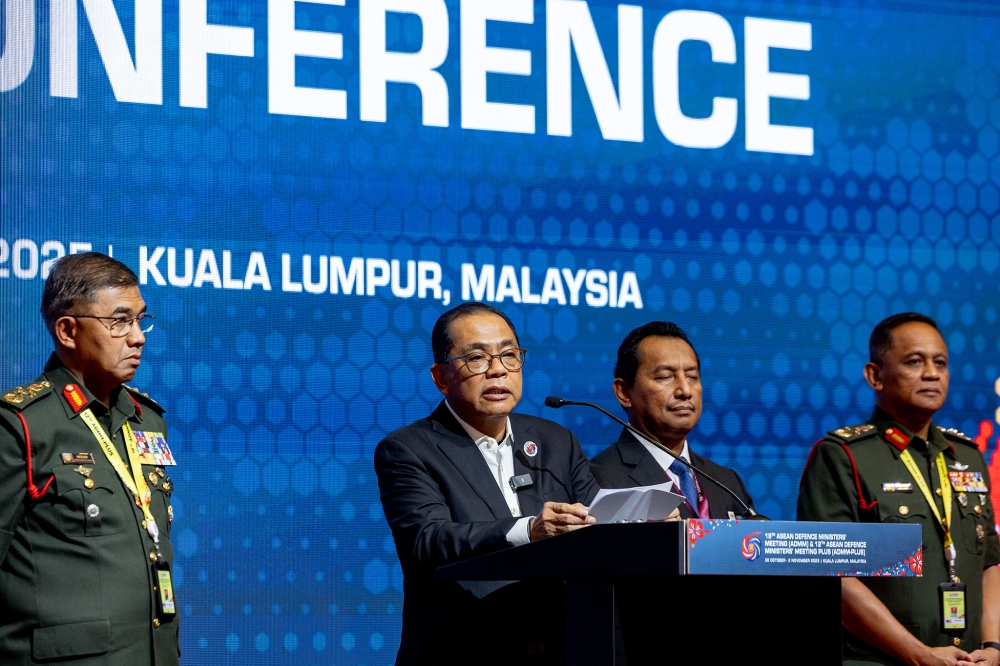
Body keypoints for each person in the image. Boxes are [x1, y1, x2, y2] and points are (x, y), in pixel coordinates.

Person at [374, 302, 601, 666]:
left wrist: (645, 526)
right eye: (477, 359)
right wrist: (529, 529)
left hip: (560, 647)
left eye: (510, 355)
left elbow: (597, 524)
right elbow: (429, 540)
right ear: (440, 378)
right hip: (463, 648)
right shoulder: (408, 449)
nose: (498, 370)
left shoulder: (556, 441)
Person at [0, 253, 179, 665]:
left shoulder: (146, 421)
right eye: (119, 321)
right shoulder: (21, 426)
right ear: (67, 330)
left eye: (140, 319)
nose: (138, 337)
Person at [798, 313, 1000, 666]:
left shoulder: (965, 456)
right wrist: (918, 655)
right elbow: (833, 576)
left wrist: (994, 647)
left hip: (970, 660)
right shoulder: (843, 455)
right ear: (875, 375)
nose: (932, 373)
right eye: (914, 362)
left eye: (940, 363)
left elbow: (990, 564)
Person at [590, 321, 754, 518]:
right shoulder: (599, 478)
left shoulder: (727, 482)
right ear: (624, 392)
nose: (685, 391)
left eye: (692, 377)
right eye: (665, 377)